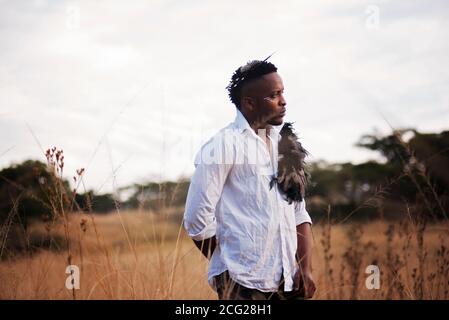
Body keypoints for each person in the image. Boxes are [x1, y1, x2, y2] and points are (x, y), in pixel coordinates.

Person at [183, 58, 315, 300]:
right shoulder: (223, 146)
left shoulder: (286, 146)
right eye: (274, 95)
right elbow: (196, 219)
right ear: (249, 103)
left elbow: (299, 213)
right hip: (242, 285)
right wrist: (229, 266)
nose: (283, 101)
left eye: (282, 92)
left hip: (289, 283)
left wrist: (305, 269)